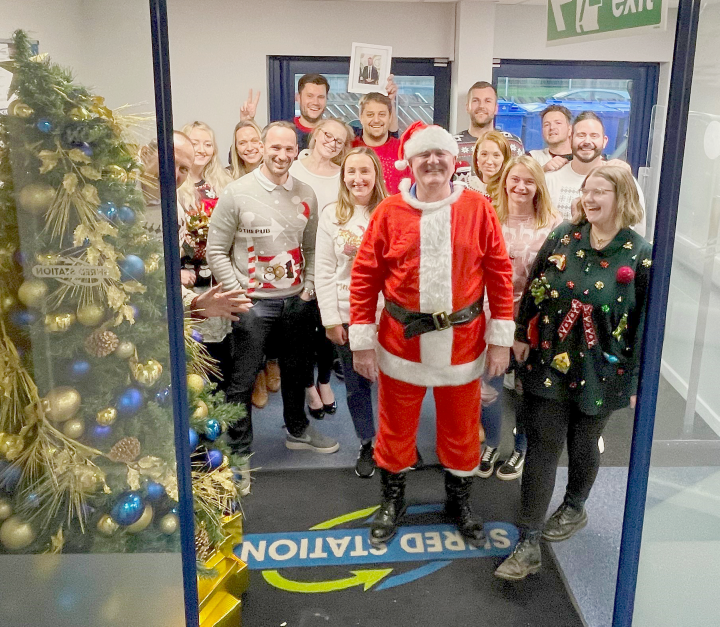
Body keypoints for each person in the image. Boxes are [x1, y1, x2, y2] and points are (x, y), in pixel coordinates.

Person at [350, 122, 515, 546]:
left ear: (454, 161)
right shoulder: (388, 213)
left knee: (462, 430)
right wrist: (362, 342)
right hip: (399, 343)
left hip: (464, 343)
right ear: (410, 162)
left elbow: (499, 274)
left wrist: (500, 338)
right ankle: (393, 500)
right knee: (394, 430)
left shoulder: (478, 209)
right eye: (424, 155)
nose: (433, 162)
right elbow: (365, 277)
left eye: (440, 154)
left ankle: (459, 502)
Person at [494, 165, 651, 581]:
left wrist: (635, 381)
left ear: (623, 198)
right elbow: (535, 287)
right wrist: (522, 331)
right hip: (550, 356)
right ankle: (527, 542)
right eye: (586, 190)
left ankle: (575, 504)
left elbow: (645, 326)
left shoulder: (640, 254)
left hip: (603, 369)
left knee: (583, 443)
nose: (590, 198)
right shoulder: (565, 235)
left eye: (601, 191)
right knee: (544, 445)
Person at [207, 121, 339, 460]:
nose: (282, 155)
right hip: (252, 305)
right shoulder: (236, 192)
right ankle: (240, 446)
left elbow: (310, 249)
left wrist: (308, 289)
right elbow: (216, 251)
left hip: (295, 301)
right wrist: (238, 296)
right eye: (275, 148)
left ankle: (297, 430)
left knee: (297, 373)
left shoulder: (305, 193)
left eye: (288, 148)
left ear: (297, 151)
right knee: (244, 378)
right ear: (263, 148)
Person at [477, 156, 562, 482]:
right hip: (491, 317)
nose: (521, 186)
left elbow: (552, 283)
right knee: (490, 387)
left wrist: (524, 327)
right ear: (505, 182)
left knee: (528, 391)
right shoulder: (489, 218)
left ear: (538, 186)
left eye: (529, 181)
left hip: (533, 323)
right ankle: (492, 445)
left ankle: (521, 448)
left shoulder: (552, 225)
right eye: (515, 179)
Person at [316, 148, 388, 477]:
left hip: (389, 315)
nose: (358, 179)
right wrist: (330, 320)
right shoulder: (332, 215)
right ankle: (367, 442)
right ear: (343, 176)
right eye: (351, 172)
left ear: (376, 175)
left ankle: (393, 439)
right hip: (347, 313)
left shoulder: (390, 211)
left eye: (365, 172)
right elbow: (325, 271)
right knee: (357, 386)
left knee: (393, 383)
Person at [138, 131, 252, 322]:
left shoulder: (175, 215)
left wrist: (195, 303)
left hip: (144, 316)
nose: (174, 174)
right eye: (169, 161)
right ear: (144, 154)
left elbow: (161, 276)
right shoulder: (112, 192)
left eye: (183, 169)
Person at [290, 118, 354, 418]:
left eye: (339, 140)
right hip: (295, 261)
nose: (331, 142)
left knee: (330, 323)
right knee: (300, 330)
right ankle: (307, 386)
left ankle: (325, 381)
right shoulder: (292, 167)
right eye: (327, 135)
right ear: (315, 134)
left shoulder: (343, 175)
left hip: (331, 263)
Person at [178, 121, 234, 390]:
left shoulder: (223, 183)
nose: (201, 149)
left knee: (219, 346)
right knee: (193, 344)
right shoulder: (173, 184)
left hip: (218, 272)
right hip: (187, 276)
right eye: (195, 142)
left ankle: (217, 404)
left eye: (207, 144)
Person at [545, 111, 646, 236]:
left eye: (594, 136)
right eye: (581, 135)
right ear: (570, 139)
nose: (587, 141)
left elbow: (637, 230)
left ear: (604, 141)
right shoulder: (549, 180)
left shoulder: (623, 181)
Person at [455, 81, 524, 180]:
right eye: (475, 101)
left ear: (496, 108)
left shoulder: (513, 144)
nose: (481, 106)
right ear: (467, 107)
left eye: (487, 101)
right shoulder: (453, 145)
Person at [352, 92, 403, 194]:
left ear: (390, 118)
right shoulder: (349, 148)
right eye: (370, 115)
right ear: (361, 117)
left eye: (382, 114)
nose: (376, 120)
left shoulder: (403, 151)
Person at [467, 130, 512, 200]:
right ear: (476, 157)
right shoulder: (467, 187)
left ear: (505, 159)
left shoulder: (510, 191)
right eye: (484, 154)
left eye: (496, 155)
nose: (489, 161)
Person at [528, 104, 573, 172]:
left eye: (558, 123)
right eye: (546, 125)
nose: (552, 127)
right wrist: (543, 169)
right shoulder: (533, 158)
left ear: (570, 129)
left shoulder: (581, 159)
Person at [293, 74, 330, 151]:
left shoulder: (335, 132)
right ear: (298, 98)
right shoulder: (285, 131)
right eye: (310, 96)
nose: (315, 102)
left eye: (321, 97)